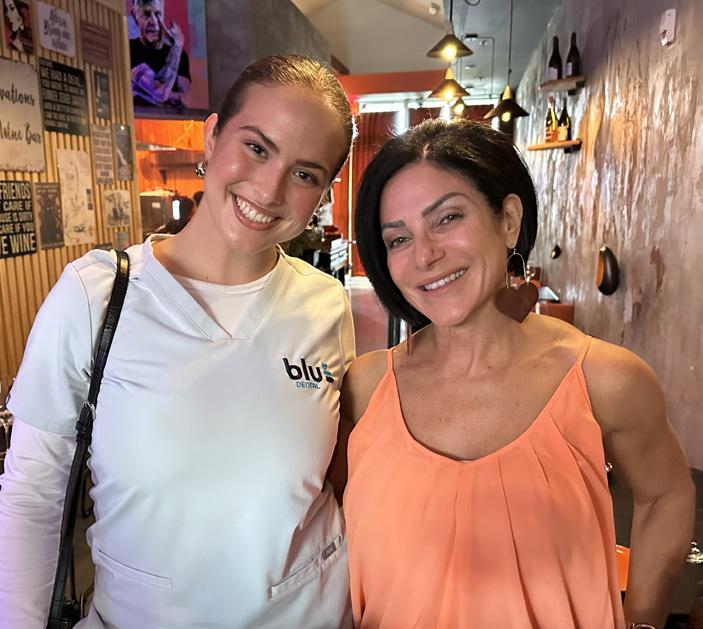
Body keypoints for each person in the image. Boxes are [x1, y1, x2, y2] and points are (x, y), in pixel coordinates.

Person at [0, 54, 355, 628]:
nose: (269, 188)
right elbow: (34, 495)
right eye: (257, 147)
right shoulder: (97, 297)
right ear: (212, 137)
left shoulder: (325, 304)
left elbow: (335, 477)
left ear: (322, 193)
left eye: (305, 174)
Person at [338, 119, 694, 629]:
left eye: (447, 218)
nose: (425, 255)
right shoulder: (366, 387)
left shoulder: (603, 380)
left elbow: (665, 495)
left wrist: (642, 621)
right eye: (398, 239)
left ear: (508, 219)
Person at [129, 0, 191, 108]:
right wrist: (177, 47)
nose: (154, 22)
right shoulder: (129, 49)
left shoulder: (181, 56)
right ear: (135, 15)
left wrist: (142, 93)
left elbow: (184, 100)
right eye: (146, 14)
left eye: (158, 14)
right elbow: (161, 92)